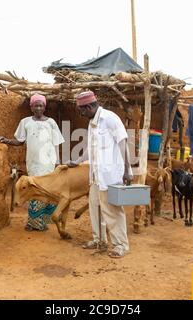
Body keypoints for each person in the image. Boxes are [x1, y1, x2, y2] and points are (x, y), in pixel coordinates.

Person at [67, 91, 133, 258]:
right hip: (96, 176)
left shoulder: (110, 119)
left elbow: (123, 143)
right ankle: (99, 241)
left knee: (112, 211)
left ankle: (121, 245)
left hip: (110, 176)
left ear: (89, 106)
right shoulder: (92, 123)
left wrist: (127, 170)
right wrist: (78, 161)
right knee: (95, 208)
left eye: (81, 110)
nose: (81, 113)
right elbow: (91, 149)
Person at [0, 94, 64, 231]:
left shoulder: (51, 123)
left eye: (41, 105)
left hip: (49, 163)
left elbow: (56, 143)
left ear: (44, 107)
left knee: (48, 190)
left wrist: (57, 162)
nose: (38, 108)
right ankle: (34, 223)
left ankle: (46, 220)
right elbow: (20, 141)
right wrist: (6, 140)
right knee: (34, 189)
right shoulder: (25, 122)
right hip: (33, 163)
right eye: (36, 105)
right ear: (31, 107)